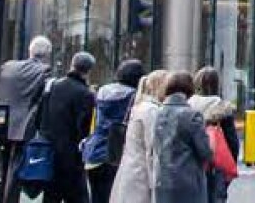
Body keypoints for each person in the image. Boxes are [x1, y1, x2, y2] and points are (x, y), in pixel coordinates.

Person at [35, 51, 97, 203]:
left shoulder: (52, 86)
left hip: (49, 153)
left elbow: (38, 118)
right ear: (88, 71)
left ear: (71, 65)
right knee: (78, 197)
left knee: (51, 196)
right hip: (72, 158)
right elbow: (85, 130)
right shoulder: (85, 94)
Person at [0, 36, 55, 203]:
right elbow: (44, 97)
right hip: (25, 126)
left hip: (4, 124)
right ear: (47, 54)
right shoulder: (44, 70)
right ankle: (9, 199)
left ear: (30, 50)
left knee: (2, 170)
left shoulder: (8, 66)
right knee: (15, 171)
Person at [87, 59, 144, 203]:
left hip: (95, 151)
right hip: (117, 153)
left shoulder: (103, 91)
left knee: (96, 196)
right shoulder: (134, 96)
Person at [110, 69, 169, 203]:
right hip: (141, 176)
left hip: (130, 170)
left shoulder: (140, 107)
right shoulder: (152, 110)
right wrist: (156, 183)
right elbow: (152, 149)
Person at [153, 71, 213, 203]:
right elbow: (205, 152)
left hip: (163, 180)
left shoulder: (158, 113)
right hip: (188, 182)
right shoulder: (192, 115)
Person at [190, 66, 238, 203]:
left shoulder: (189, 105)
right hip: (216, 166)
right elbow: (232, 140)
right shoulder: (222, 107)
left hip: (194, 164)